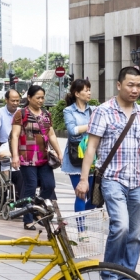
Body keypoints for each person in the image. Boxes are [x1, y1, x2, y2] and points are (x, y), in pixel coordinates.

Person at [76, 67, 140, 280]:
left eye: (138, 85)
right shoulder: (103, 111)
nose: (135, 89)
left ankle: (126, 276)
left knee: (135, 233)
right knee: (121, 226)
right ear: (119, 85)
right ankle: (109, 274)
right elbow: (91, 147)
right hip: (112, 179)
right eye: (130, 85)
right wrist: (83, 178)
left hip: (136, 180)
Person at [11, 85, 62, 231]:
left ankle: (37, 206)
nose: (41, 100)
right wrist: (15, 155)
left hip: (44, 157)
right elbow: (15, 135)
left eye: (42, 97)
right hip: (27, 157)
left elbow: (51, 134)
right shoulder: (21, 114)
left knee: (49, 185)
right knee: (31, 186)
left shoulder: (46, 114)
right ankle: (28, 220)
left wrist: (59, 151)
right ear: (29, 98)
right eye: (37, 97)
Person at [61, 79, 96, 212]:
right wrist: (92, 127)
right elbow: (72, 130)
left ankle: (80, 216)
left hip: (93, 157)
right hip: (75, 157)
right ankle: (81, 231)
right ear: (77, 93)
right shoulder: (68, 111)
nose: (89, 93)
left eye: (89, 90)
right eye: (86, 90)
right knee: (81, 195)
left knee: (94, 199)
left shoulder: (93, 110)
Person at [0, 89, 22, 200]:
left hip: (19, 145)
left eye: (18, 101)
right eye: (13, 100)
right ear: (6, 100)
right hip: (3, 145)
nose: (15, 103)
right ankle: (2, 200)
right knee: (1, 177)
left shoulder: (22, 112)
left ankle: (19, 195)